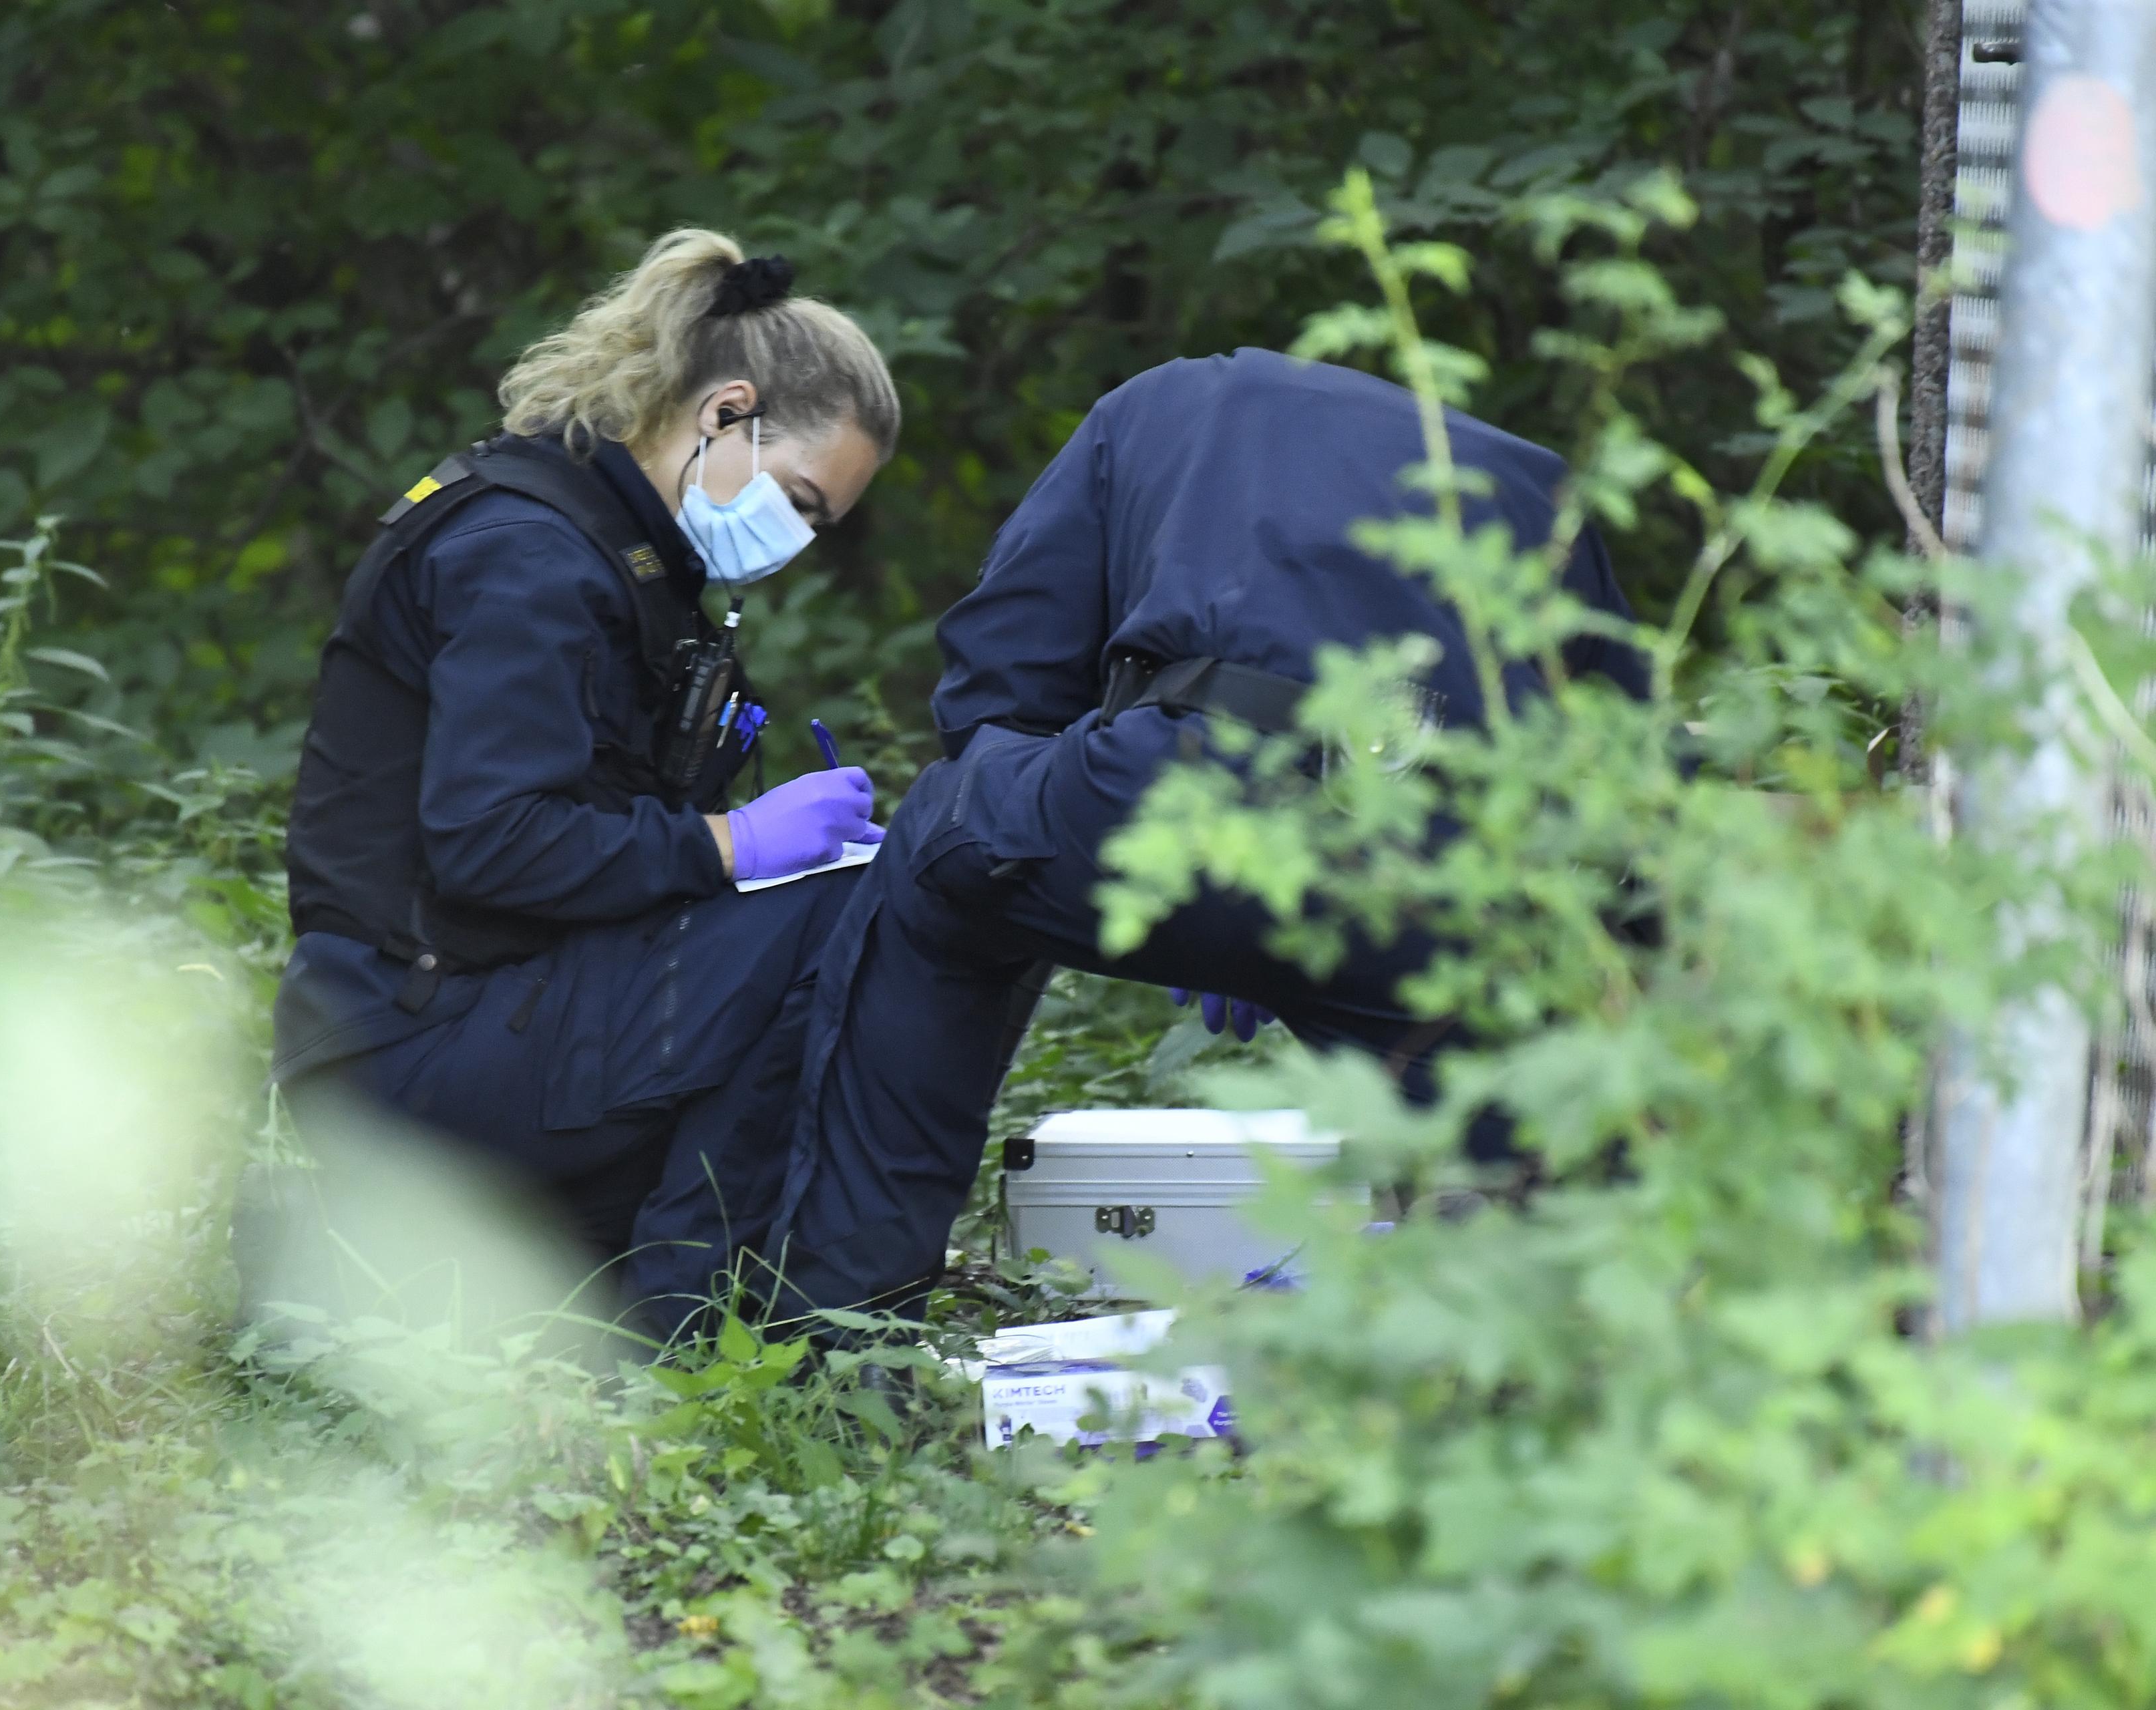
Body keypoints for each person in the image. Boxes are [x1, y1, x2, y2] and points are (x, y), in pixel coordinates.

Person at [761, 349, 1650, 1321]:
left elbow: (1000, 690)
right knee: (1481, 1077)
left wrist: (1164, 879)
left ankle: (844, 1335)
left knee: (942, 845)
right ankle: (1514, 1361)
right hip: (1443, 860)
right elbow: (1623, 799)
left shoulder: (1159, 404)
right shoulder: (1535, 481)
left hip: (1199, 774)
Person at [266, 230, 897, 1333]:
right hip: (410, 1046)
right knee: (842, 909)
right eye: (802, 501)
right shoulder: (531, 553)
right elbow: (491, 842)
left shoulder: (622, 552)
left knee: (842, 895)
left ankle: (661, 1278)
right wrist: (731, 847)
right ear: (724, 412)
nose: (799, 539)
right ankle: (677, 1327)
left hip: (491, 1011)